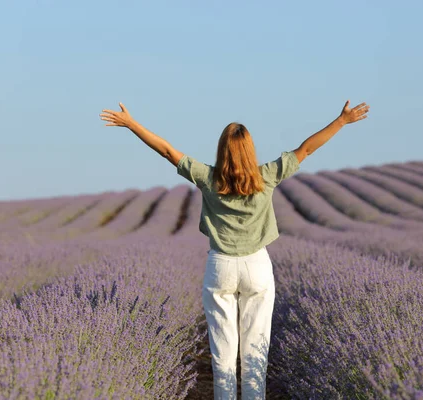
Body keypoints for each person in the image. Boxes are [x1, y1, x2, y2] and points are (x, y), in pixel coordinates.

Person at [99, 100, 370, 399]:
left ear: (222, 150)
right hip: (257, 266)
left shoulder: (208, 177)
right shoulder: (267, 175)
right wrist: (341, 121)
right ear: (250, 150)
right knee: (256, 352)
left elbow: (167, 150)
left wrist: (132, 124)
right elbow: (306, 149)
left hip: (221, 267)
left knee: (223, 355)